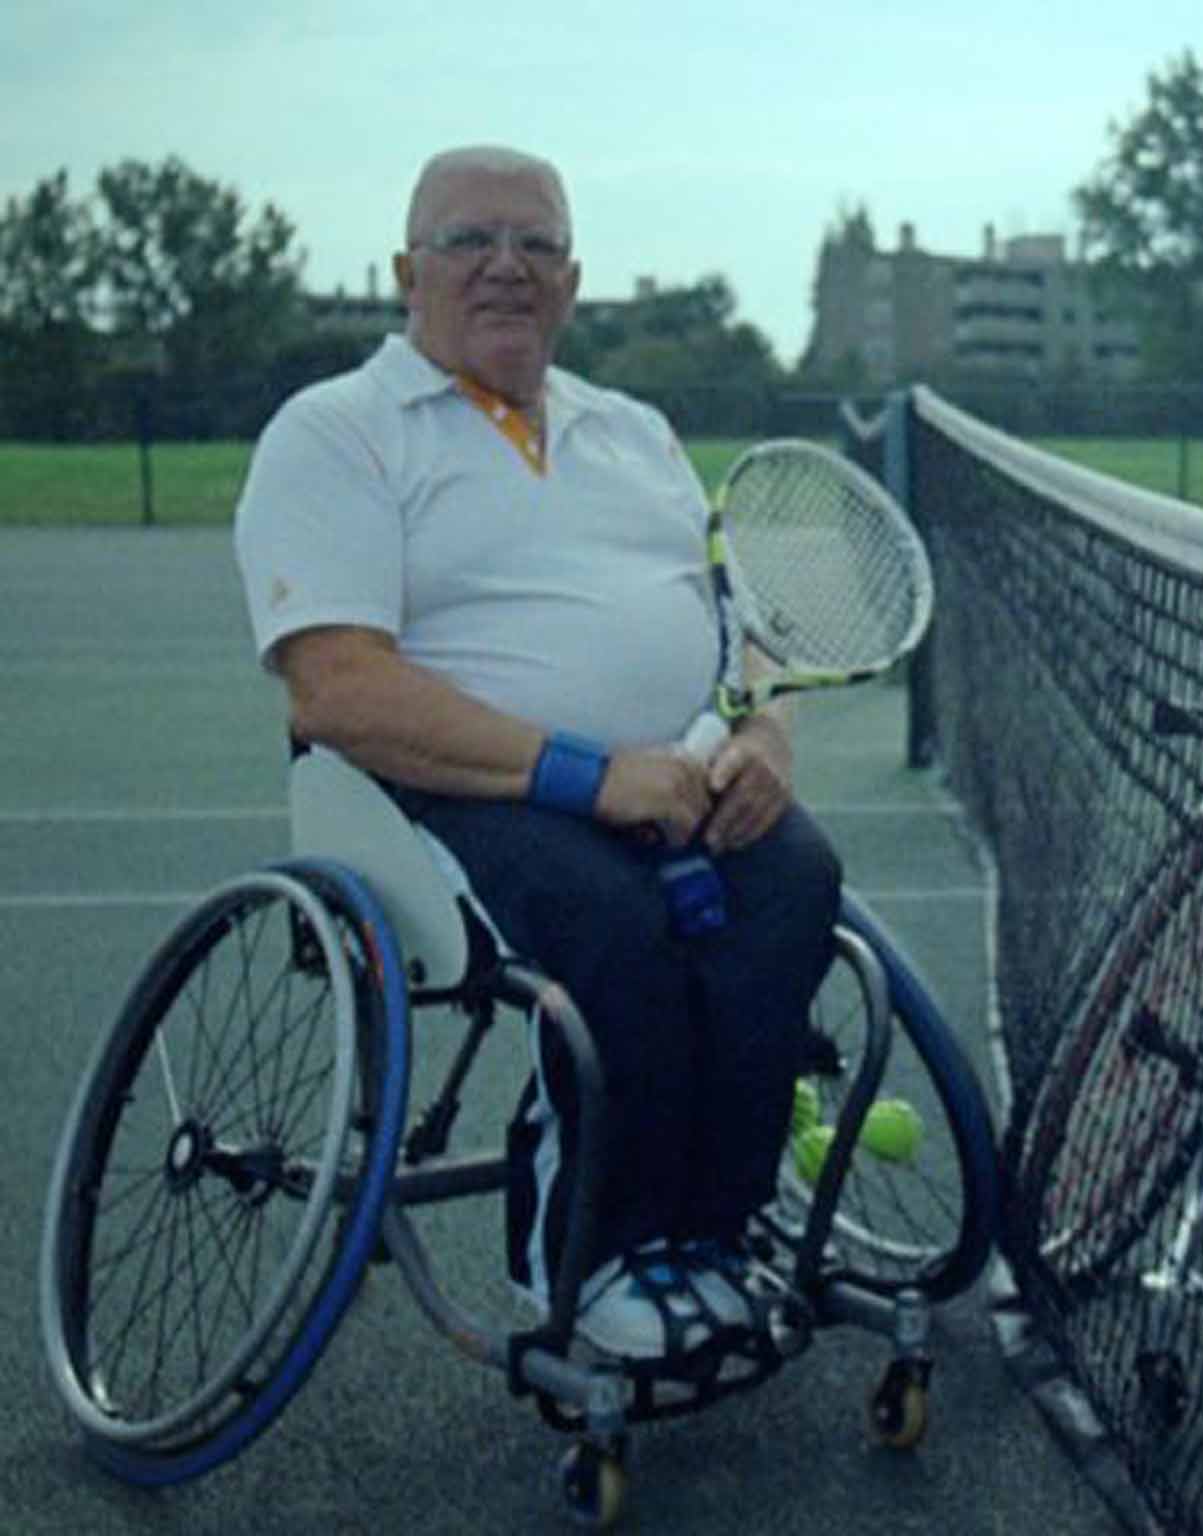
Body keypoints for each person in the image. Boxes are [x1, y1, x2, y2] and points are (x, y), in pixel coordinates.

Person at [233, 145, 842, 1362]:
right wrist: (589, 775)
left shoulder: (636, 431)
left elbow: (747, 632)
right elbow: (337, 685)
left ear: (570, 282)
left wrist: (765, 728)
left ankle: (710, 1236)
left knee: (792, 885)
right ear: (409, 272)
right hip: (455, 787)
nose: (505, 266)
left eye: (536, 245)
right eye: (469, 241)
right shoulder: (336, 431)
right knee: (612, 923)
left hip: (675, 773)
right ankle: (594, 1255)